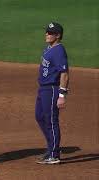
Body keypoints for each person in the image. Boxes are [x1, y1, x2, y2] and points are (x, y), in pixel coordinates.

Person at [35, 22, 70, 164]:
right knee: (39, 117)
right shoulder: (50, 48)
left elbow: (65, 73)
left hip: (51, 89)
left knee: (51, 120)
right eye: (47, 32)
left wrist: (62, 95)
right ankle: (51, 148)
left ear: (58, 35)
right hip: (43, 88)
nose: (47, 34)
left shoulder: (59, 51)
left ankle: (54, 154)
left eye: (50, 33)